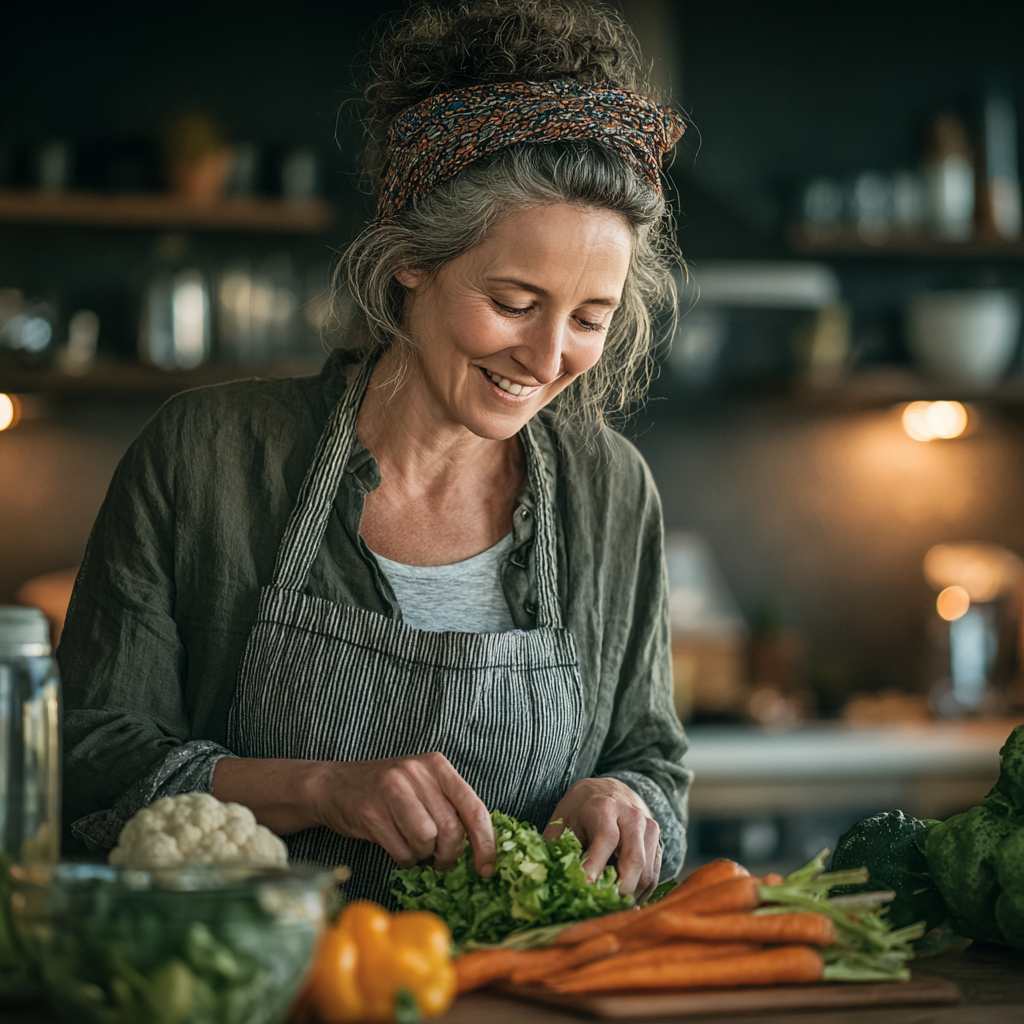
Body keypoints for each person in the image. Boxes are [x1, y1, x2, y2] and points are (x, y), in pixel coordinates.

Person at [60, 0, 692, 906]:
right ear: (411, 261)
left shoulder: (612, 492)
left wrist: (624, 797)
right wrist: (322, 787)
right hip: (264, 987)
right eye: (514, 303)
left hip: (526, 997)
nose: (549, 360)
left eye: (590, 319)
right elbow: (86, 759)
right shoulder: (205, 457)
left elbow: (654, 762)